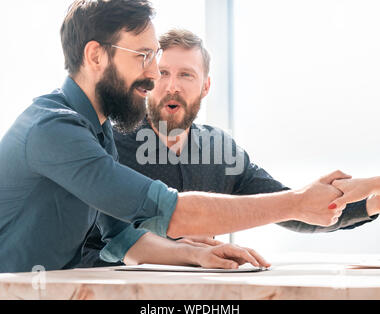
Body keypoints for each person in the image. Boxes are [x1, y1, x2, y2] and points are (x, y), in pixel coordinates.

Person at [0, 0, 362, 273]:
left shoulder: (97, 132)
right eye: (143, 56)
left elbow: (121, 235)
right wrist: (297, 201)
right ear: (96, 55)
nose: (153, 74)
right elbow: (166, 210)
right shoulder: (53, 129)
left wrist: (197, 254)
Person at [80, 29, 379, 267]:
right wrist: (176, 252)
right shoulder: (110, 145)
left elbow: (294, 208)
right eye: (163, 74)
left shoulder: (221, 150)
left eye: (186, 75)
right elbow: (103, 241)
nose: (172, 86)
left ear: (205, 86)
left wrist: (369, 204)